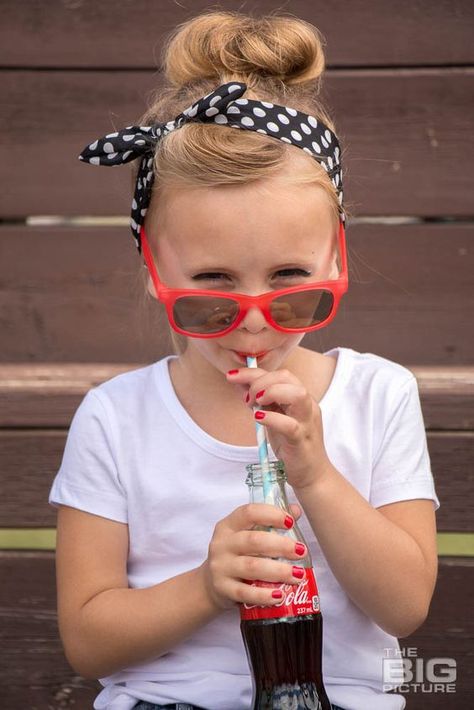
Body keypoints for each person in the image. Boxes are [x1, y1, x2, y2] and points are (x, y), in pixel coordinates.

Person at [48, 9, 440, 710]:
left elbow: (405, 606)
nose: (254, 326)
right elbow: (87, 640)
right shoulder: (116, 417)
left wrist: (316, 474)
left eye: (294, 289)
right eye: (212, 294)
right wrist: (205, 585)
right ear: (154, 269)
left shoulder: (378, 394)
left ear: (336, 258)